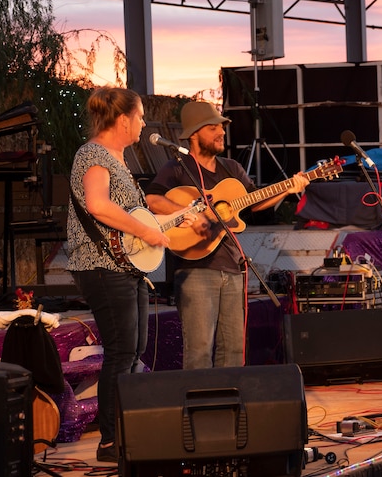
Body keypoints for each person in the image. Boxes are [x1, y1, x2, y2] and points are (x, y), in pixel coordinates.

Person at [66, 87, 195, 463]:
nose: (142, 123)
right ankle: (110, 441)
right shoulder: (93, 154)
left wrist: (171, 222)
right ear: (122, 120)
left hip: (124, 266)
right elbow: (97, 205)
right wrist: (146, 231)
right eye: (139, 117)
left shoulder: (118, 160)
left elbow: (136, 219)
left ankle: (126, 431)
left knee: (132, 350)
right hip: (102, 267)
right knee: (122, 351)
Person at [145, 101, 309, 370]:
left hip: (233, 267)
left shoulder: (232, 169)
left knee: (233, 349)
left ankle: (228, 406)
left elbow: (255, 203)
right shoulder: (176, 167)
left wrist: (289, 188)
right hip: (195, 269)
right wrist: (187, 213)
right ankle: (198, 409)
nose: (221, 132)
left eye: (221, 127)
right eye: (213, 128)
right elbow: (152, 199)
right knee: (199, 351)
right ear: (194, 134)